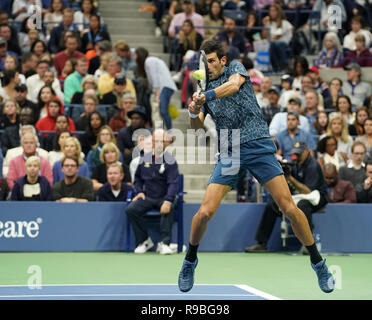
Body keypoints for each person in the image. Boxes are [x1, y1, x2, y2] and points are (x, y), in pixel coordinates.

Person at [178, 40, 334, 293]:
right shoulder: (203, 86)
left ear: (222, 60)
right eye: (205, 61)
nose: (208, 66)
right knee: (204, 212)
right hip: (229, 149)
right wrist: (194, 111)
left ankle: (318, 263)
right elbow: (196, 129)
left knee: (289, 208)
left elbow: (233, 86)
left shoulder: (235, 69)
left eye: (212, 61)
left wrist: (204, 96)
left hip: (257, 143)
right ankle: (189, 261)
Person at [245, 141, 328, 251]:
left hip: (316, 197)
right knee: (272, 206)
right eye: (295, 153)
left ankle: (309, 245)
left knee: (303, 206)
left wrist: (291, 179)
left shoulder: (313, 165)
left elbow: (308, 191)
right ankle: (261, 243)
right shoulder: (293, 164)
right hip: (299, 196)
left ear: (307, 151)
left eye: (300, 153)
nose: (297, 155)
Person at [125, 129, 179, 255]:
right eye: (156, 141)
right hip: (148, 197)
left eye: (162, 141)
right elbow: (137, 178)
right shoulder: (144, 159)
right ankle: (144, 240)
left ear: (166, 143)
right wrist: (139, 192)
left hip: (164, 197)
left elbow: (173, 183)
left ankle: (164, 243)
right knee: (131, 210)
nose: (159, 144)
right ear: (152, 143)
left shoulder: (171, 161)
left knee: (169, 206)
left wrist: (168, 200)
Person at [135, 47, 177, 130]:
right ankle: (161, 132)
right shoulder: (148, 63)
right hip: (162, 88)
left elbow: (155, 78)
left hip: (165, 86)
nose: (134, 57)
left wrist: (157, 95)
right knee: (160, 112)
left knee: (163, 111)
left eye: (135, 55)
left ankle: (170, 132)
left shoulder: (149, 60)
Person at [262, 4, 294, 71]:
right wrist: (264, 25)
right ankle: (275, 68)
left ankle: (284, 66)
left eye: (274, 11)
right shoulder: (269, 23)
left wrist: (269, 40)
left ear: (278, 12)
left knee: (275, 43)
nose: (272, 13)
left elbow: (277, 36)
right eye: (270, 11)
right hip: (272, 45)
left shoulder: (284, 23)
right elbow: (264, 36)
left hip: (285, 45)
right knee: (271, 45)